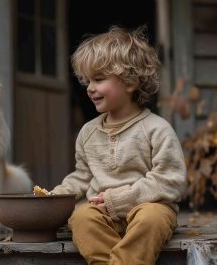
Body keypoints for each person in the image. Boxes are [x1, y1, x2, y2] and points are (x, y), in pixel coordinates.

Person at [51, 26, 187, 265]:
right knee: (81, 218)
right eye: (88, 80)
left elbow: (171, 179)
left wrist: (124, 198)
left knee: (151, 220)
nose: (90, 88)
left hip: (149, 206)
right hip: (102, 213)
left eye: (99, 79)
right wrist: (58, 195)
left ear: (130, 82)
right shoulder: (88, 132)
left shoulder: (156, 128)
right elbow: (83, 176)